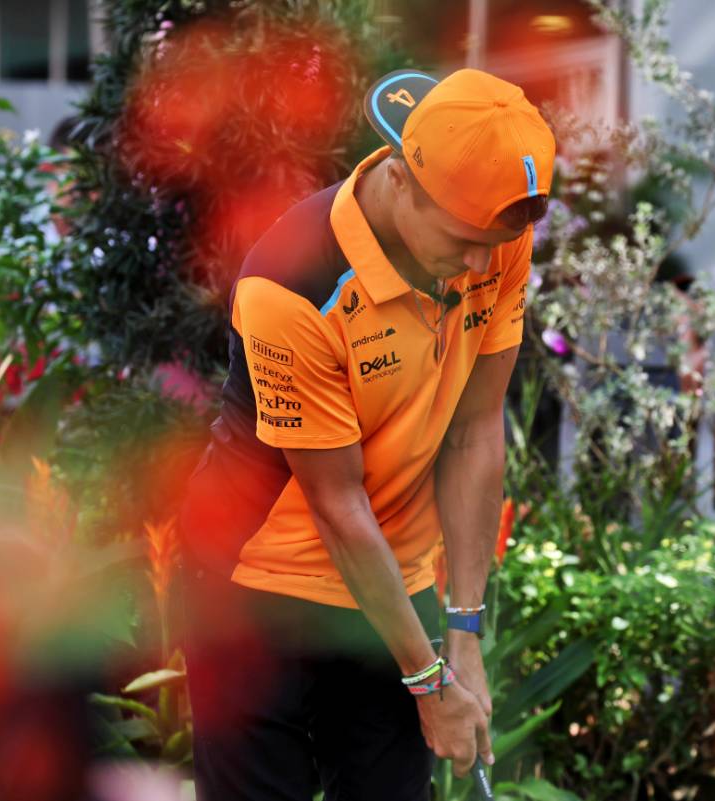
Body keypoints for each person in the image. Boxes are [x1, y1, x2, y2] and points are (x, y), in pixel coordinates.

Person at [178, 68, 555, 800]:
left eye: (498, 243)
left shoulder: (494, 235)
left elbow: (475, 430)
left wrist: (464, 636)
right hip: (251, 590)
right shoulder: (292, 282)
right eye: (464, 240)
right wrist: (429, 682)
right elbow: (337, 504)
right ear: (401, 178)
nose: (480, 266)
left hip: (391, 584)